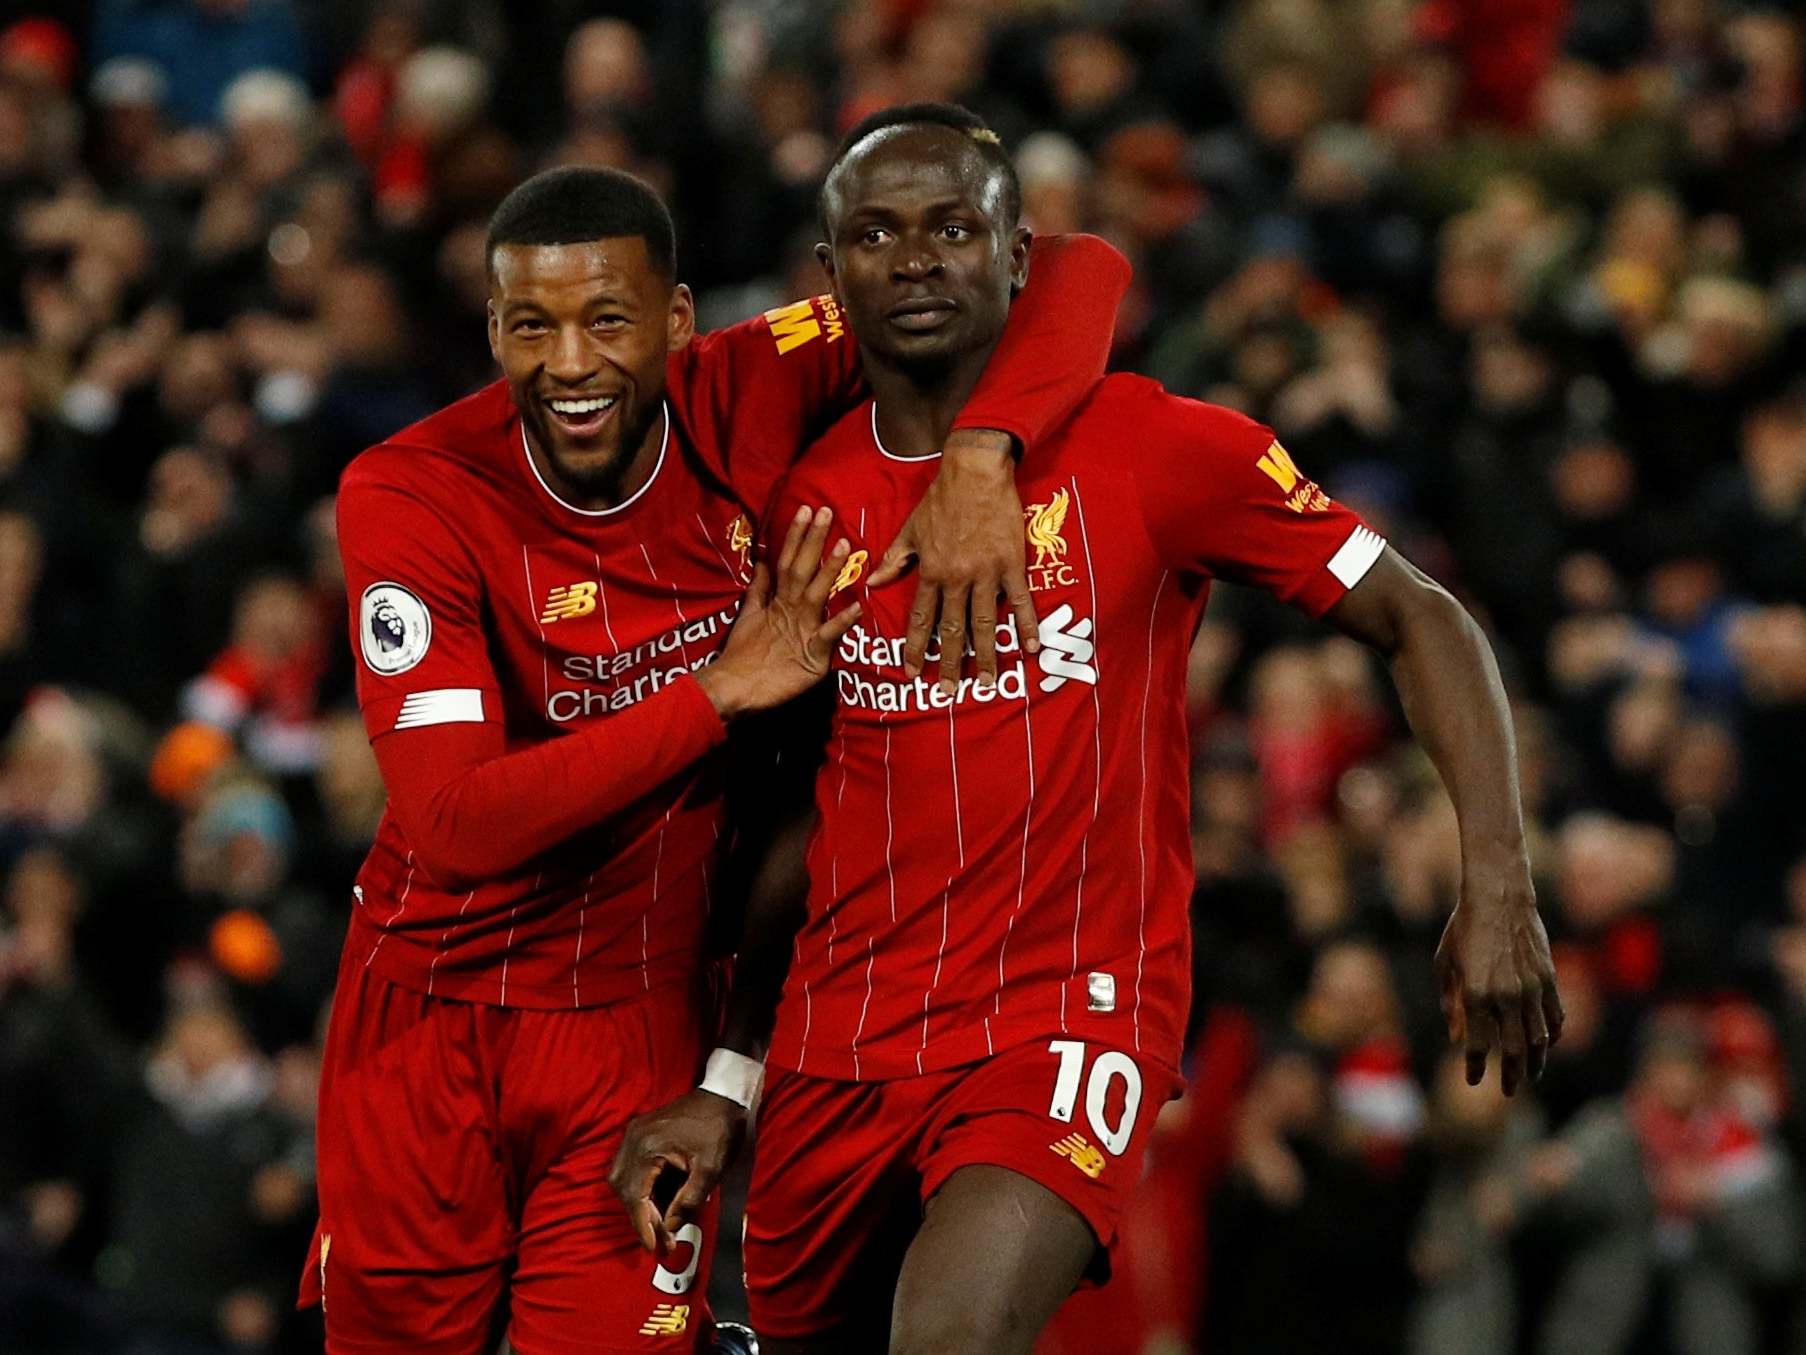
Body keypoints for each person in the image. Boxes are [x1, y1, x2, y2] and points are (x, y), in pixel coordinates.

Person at [610, 105, 1565, 1354]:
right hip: (838, 1045)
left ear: (1018, 256)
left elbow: (1422, 616)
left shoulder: (1157, 448)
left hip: (1065, 1017)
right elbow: (793, 819)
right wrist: (729, 1078)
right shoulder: (803, 504)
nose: (917, 258)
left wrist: (1496, 880)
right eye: (878, 233)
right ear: (830, 275)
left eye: (955, 226)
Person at [301, 163, 1126, 1353]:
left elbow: (1067, 267)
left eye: (609, 322)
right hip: (428, 1020)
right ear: (492, 329)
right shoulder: (413, 489)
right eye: (531, 326)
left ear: (679, 322)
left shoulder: (753, 381)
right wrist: (719, 691)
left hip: (639, 1025)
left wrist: (985, 455)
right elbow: (457, 823)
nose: (571, 364)